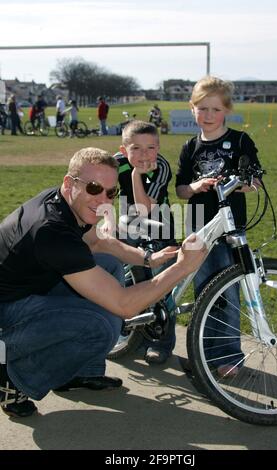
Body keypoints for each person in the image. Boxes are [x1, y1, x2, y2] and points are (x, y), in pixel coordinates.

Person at [0, 146, 207, 418]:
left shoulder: (66, 203)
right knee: (99, 326)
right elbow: (124, 305)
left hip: (26, 288)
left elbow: (98, 242)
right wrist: (182, 268)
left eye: (111, 192)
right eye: (94, 188)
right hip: (7, 310)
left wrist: (149, 259)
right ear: (68, 183)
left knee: (108, 267)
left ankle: (76, 372)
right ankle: (12, 378)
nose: (103, 200)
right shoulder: (51, 231)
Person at [175, 76, 261, 377]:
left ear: (226, 110)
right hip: (199, 228)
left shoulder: (240, 141)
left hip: (229, 230)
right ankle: (204, 356)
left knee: (227, 293)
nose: (208, 115)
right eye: (202, 108)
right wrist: (196, 186)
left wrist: (240, 183)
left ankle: (228, 357)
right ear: (193, 109)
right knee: (202, 292)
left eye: (215, 109)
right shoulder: (190, 146)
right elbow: (180, 190)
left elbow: (256, 181)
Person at [114, 120, 176, 365]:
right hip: (127, 222)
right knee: (125, 278)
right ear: (123, 150)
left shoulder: (161, 166)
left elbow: (145, 207)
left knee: (161, 285)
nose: (144, 155)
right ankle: (125, 330)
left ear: (158, 148)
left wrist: (136, 174)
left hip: (159, 224)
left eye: (150, 148)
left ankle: (161, 342)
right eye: (136, 149)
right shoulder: (113, 162)